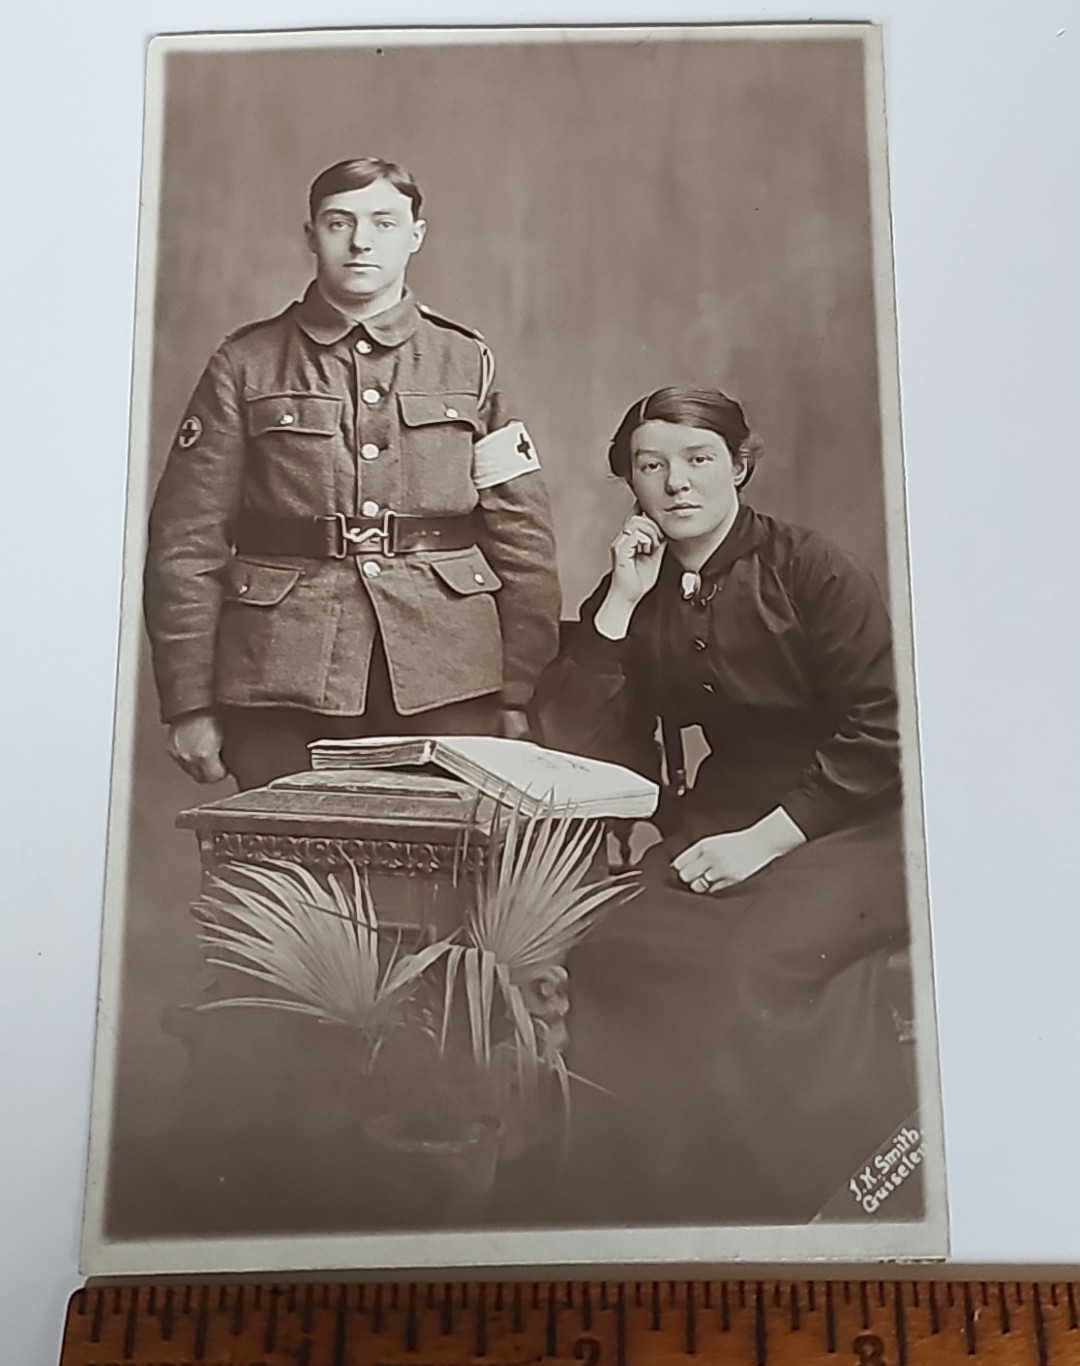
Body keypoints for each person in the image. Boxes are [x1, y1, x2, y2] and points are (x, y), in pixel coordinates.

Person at [529, 386, 916, 1226]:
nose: (676, 484)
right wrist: (623, 603)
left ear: (738, 466)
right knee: (607, 950)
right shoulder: (641, 581)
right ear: (630, 482)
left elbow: (886, 729)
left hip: (856, 819)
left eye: (699, 460)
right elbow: (581, 741)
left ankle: (785, 1208)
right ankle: (650, 1208)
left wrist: (764, 842)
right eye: (651, 465)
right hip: (723, 812)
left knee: (751, 969)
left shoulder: (811, 568)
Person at [144, 157, 560, 791]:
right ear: (310, 234)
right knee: (287, 878)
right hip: (279, 680)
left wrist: (520, 692)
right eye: (340, 222)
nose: (362, 241)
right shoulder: (246, 363)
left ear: (416, 234)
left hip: (449, 676)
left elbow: (522, 536)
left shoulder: (468, 361)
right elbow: (186, 542)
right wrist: (190, 703)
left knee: (442, 881)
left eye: (384, 222)